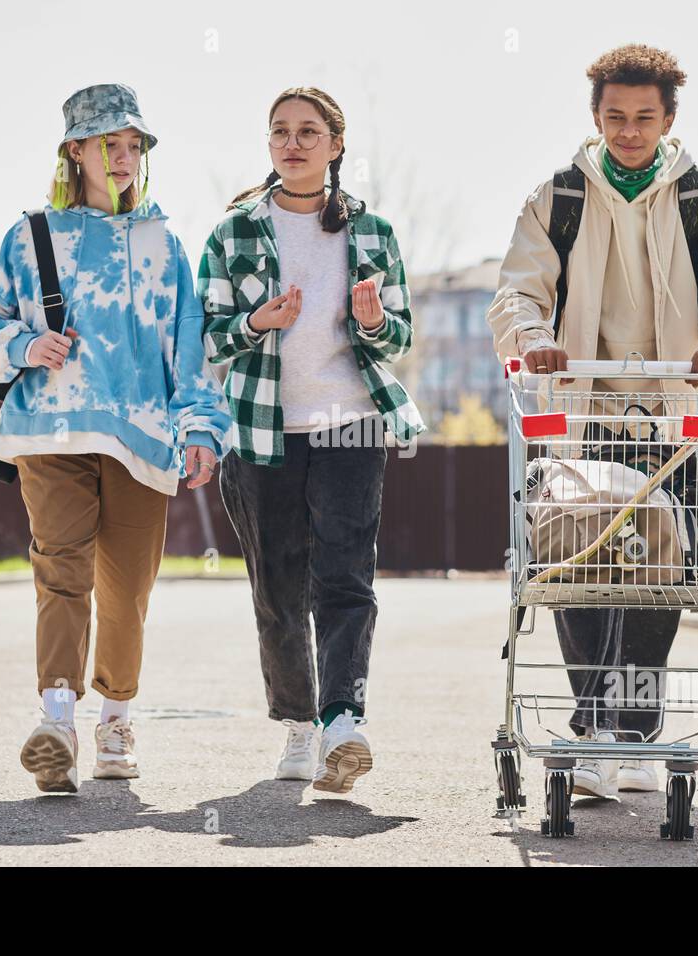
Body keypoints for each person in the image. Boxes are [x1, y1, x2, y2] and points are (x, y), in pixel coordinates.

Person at [486, 45, 698, 797]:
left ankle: (635, 735)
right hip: (584, 412)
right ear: (596, 117)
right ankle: (592, 728)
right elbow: (516, 292)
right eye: (616, 118)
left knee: (655, 569)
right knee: (580, 557)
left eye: (645, 118)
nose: (630, 132)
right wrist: (534, 337)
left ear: (669, 118)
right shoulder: (560, 197)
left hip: (674, 414)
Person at [0, 83, 230, 793]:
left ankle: (116, 721)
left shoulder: (166, 247)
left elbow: (189, 352)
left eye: (135, 145)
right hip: (49, 429)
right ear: (75, 151)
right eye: (112, 143)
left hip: (143, 438)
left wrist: (201, 430)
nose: (126, 157)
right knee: (61, 567)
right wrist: (24, 345)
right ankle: (55, 719)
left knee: (129, 588)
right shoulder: (30, 237)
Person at [198, 86, 425, 793]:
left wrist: (371, 321)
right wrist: (257, 323)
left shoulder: (372, 233)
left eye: (307, 132)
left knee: (346, 577)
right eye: (280, 132)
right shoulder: (234, 233)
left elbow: (402, 334)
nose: (292, 143)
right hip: (263, 431)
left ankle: (341, 720)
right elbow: (206, 336)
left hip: (351, 423)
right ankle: (298, 724)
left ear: (334, 146)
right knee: (277, 584)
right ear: (270, 146)